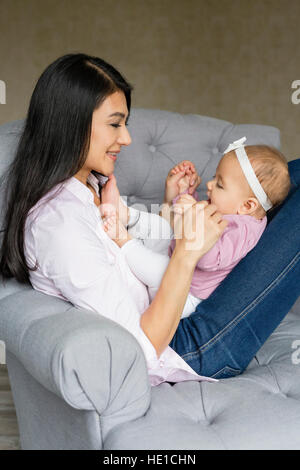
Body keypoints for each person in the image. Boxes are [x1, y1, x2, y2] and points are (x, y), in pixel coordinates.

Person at [0, 54, 299, 386]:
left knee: (293, 172)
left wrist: (168, 210)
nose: (126, 139)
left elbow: (152, 254)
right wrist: (187, 253)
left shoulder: (89, 188)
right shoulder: (59, 226)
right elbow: (142, 349)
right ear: (70, 124)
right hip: (185, 344)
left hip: (184, 305)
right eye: (115, 124)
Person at [102, 139, 291, 319]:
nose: (209, 185)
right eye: (213, 177)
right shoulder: (228, 208)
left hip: (183, 295)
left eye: (219, 184)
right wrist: (184, 194)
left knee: (161, 268)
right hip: (174, 258)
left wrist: (191, 215)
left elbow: (207, 260)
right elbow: (184, 220)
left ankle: (122, 240)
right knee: (162, 228)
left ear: (248, 206)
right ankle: (125, 214)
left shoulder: (242, 230)